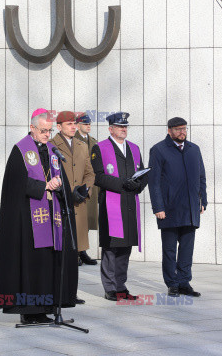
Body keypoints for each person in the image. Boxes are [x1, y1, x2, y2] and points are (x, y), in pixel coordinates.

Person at [0, 109, 78, 324]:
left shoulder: (53, 150)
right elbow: (16, 184)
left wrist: (64, 190)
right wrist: (43, 186)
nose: (47, 135)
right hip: (29, 221)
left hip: (52, 218)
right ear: (32, 128)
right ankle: (29, 311)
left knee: (49, 263)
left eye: (49, 131)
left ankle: (46, 308)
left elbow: (61, 179)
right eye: (42, 131)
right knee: (32, 264)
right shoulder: (20, 150)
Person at [91, 112, 148, 301]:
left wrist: (138, 185)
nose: (124, 129)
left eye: (125, 127)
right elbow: (98, 176)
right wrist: (123, 184)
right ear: (111, 129)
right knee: (111, 247)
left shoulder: (134, 148)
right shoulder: (100, 148)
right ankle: (110, 288)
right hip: (111, 203)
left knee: (125, 247)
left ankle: (121, 285)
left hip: (130, 203)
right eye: (120, 126)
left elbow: (143, 173)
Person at [148, 117, 207, 297]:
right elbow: (154, 182)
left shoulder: (194, 149)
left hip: (190, 208)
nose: (182, 132)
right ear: (169, 130)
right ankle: (172, 283)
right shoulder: (158, 150)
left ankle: (184, 282)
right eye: (178, 129)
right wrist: (158, 207)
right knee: (170, 249)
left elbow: (201, 177)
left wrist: (202, 201)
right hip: (169, 209)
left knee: (187, 249)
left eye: (184, 129)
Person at [51, 111, 95, 303]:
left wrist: (85, 190)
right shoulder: (52, 145)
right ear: (59, 126)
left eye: (74, 124)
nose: (73, 127)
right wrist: (67, 192)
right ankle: (59, 292)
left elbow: (90, 172)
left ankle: (71, 292)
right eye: (69, 124)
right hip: (60, 205)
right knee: (61, 252)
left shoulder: (81, 145)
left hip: (78, 204)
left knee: (74, 252)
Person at [74, 113, 99, 266]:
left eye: (89, 124)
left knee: (87, 221)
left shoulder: (94, 142)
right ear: (77, 125)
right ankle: (75, 251)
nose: (88, 126)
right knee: (77, 220)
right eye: (85, 124)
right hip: (78, 183)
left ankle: (82, 251)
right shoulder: (73, 140)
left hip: (91, 185)